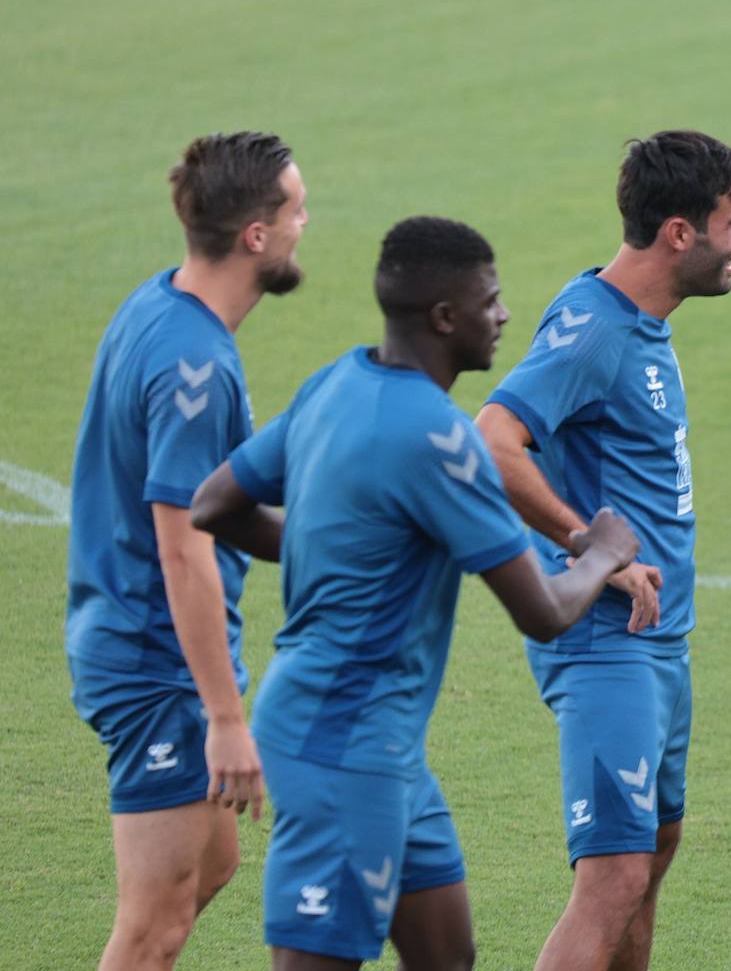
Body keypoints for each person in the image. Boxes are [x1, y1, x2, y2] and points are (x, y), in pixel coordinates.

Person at [190, 215, 641, 971]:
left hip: (389, 750)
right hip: (339, 742)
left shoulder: (335, 380)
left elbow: (216, 503)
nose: (503, 315)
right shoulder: (441, 441)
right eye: (490, 301)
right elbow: (543, 612)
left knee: (447, 955)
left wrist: (334, 552)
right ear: (443, 317)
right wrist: (600, 554)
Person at [475, 130, 731, 971]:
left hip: (657, 644)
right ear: (680, 233)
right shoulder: (594, 328)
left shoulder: (635, 324)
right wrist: (587, 544)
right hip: (605, 646)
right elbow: (493, 440)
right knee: (615, 874)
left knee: (649, 859)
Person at [65, 131, 308, 970]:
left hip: (137, 639)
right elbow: (183, 551)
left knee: (213, 862)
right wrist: (226, 717)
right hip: (149, 656)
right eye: (296, 211)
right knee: (154, 926)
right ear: (255, 236)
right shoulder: (193, 365)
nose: (304, 225)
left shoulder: (159, 305)